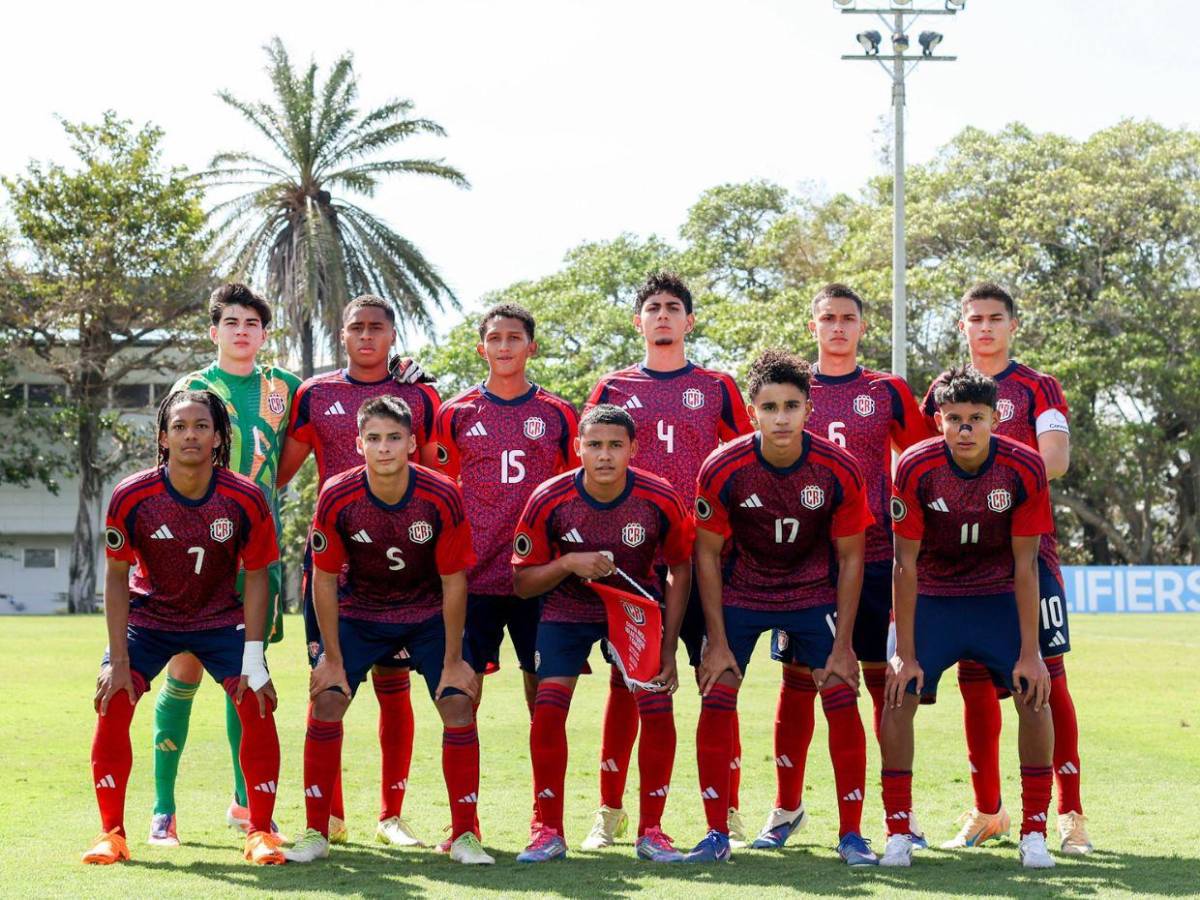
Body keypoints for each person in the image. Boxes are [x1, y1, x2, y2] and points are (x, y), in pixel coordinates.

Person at [755, 283, 931, 850]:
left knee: (884, 684)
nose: (837, 327)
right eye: (827, 318)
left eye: (848, 318)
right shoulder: (788, 391)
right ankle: (786, 807)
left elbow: (926, 460)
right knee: (798, 683)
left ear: (861, 327)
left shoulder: (886, 390)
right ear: (813, 327)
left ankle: (896, 814)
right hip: (805, 565)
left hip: (876, 557)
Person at [582, 271, 753, 849]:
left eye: (672, 307)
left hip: (708, 559)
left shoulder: (718, 386)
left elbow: (746, 462)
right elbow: (586, 462)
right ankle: (609, 812)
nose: (662, 315)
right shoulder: (611, 386)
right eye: (652, 306)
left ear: (689, 321)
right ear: (638, 320)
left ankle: (723, 813)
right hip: (635, 561)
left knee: (717, 680)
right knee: (627, 684)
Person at [284, 395, 493, 865]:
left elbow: (453, 580)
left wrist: (455, 659)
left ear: (411, 443)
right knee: (329, 697)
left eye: (394, 438)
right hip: (361, 612)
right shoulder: (337, 494)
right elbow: (323, 577)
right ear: (358, 444)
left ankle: (464, 835)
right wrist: (331, 657)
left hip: (426, 615)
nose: (384, 448)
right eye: (374, 438)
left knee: (458, 701)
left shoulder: (440, 494)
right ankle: (316, 831)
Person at [687, 349, 876, 867]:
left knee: (839, 690)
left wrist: (843, 646)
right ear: (752, 412)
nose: (781, 417)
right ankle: (715, 834)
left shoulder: (838, 467)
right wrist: (718, 641)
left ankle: (852, 835)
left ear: (808, 408)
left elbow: (851, 557)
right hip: (743, 591)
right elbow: (705, 552)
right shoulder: (724, 467)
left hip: (812, 592)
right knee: (718, 689)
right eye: (770, 407)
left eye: (792, 405)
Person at [921, 282, 1090, 855]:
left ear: (1013, 325)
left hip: (1027, 554)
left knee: (1047, 680)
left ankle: (1070, 815)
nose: (985, 327)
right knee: (973, 685)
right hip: (958, 563)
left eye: (996, 318)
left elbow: (1057, 461)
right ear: (961, 326)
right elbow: (929, 468)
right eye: (975, 319)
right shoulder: (941, 391)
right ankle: (989, 810)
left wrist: (998, 482)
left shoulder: (1038, 386)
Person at [84, 390, 284, 866]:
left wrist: (254, 659)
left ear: (218, 437)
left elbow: (257, 576)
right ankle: (111, 833)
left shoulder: (244, 497)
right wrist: (118, 659)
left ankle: (259, 832)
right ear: (163, 436)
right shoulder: (133, 495)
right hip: (151, 619)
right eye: (180, 426)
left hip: (219, 619)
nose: (190, 434)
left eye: (200, 426)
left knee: (257, 699)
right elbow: (115, 577)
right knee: (112, 698)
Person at [278, 294, 441, 847]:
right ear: (341, 335)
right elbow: (278, 472)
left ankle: (391, 815)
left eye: (377, 328)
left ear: (393, 335)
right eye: (356, 328)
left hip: (405, 563)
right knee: (328, 682)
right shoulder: (315, 393)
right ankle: (330, 819)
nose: (366, 336)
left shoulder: (418, 395)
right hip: (335, 560)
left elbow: (443, 468)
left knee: (396, 689)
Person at [880, 365, 1056, 870]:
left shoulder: (1024, 467)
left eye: (975, 418)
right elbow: (904, 563)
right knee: (897, 694)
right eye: (954, 418)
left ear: (995, 418)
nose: (964, 429)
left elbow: (1027, 564)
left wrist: (1031, 651)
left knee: (1034, 693)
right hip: (933, 596)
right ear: (938, 420)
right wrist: (906, 654)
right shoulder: (914, 466)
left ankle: (1035, 833)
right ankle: (898, 832)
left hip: (996, 596)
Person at [511, 404, 694, 863]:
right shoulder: (549, 498)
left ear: (633, 448)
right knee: (549, 711)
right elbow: (522, 581)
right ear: (578, 449)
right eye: (594, 445)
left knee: (655, 706)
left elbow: (680, 567)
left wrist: (668, 646)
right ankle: (547, 830)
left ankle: (652, 831)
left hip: (634, 608)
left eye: (615, 445)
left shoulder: (659, 497)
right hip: (567, 610)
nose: (605, 455)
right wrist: (569, 562)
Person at [149, 283, 298, 846]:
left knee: (247, 674)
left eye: (252, 323)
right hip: (195, 552)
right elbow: (167, 461)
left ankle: (246, 803)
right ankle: (164, 808)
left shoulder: (285, 388)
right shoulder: (194, 389)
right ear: (214, 332)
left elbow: (308, 444)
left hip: (256, 551)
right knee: (184, 668)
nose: (242, 331)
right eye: (231, 322)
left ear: (263, 333)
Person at [431, 303, 579, 839]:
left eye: (515, 337)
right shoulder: (456, 412)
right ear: (482, 348)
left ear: (530, 347)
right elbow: (440, 491)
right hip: (472, 581)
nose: (505, 346)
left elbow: (571, 491)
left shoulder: (559, 414)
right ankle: (463, 826)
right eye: (495, 338)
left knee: (545, 700)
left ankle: (546, 824)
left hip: (539, 581)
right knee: (460, 696)